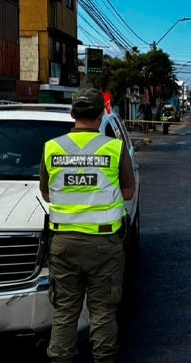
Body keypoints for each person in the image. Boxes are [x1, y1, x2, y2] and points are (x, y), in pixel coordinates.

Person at [40, 87, 136, 363]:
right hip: (104, 244)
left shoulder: (52, 147)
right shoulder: (113, 148)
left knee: (65, 313)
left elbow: (47, 193)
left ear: (72, 114)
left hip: (63, 244)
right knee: (103, 312)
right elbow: (128, 192)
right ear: (101, 114)